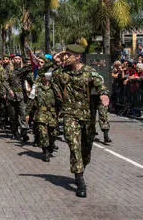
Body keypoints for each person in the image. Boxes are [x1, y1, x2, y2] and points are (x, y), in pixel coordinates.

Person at [52, 44, 109, 198]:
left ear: (77, 56)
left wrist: (104, 94)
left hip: (87, 116)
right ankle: (80, 180)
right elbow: (49, 74)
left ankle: (80, 168)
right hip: (70, 114)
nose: (65, 57)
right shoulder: (63, 72)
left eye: (68, 55)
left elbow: (100, 84)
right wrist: (56, 60)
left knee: (86, 150)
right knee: (74, 145)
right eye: (65, 55)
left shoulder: (89, 72)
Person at [32, 72, 58, 162]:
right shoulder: (36, 87)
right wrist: (27, 113)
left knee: (53, 133)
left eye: (47, 75)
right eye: (43, 75)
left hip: (52, 113)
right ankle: (45, 151)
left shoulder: (55, 87)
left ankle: (51, 147)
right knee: (43, 133)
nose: (45, 77)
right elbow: (31, 100)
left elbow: (61, 100)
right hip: (41, 113)